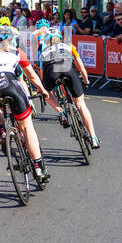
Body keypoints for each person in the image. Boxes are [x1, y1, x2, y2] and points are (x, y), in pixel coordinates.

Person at [0, 25, 54, 183]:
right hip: (10, 84)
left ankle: (3, 131)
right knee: (27, 127)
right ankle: (38, 167)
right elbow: (31, 77)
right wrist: (43, 90)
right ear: (11, 40)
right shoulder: (16, 52)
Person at [34, 20, 100, 149]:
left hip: (51, 72)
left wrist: (43, 90)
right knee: (81, 104)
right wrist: (86, 81)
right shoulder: (69, 46)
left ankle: (61, 112)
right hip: (68, 70)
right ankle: (93, 137)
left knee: (47, 93)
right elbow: (80, 67)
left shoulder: (43, 52)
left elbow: (42, 76)